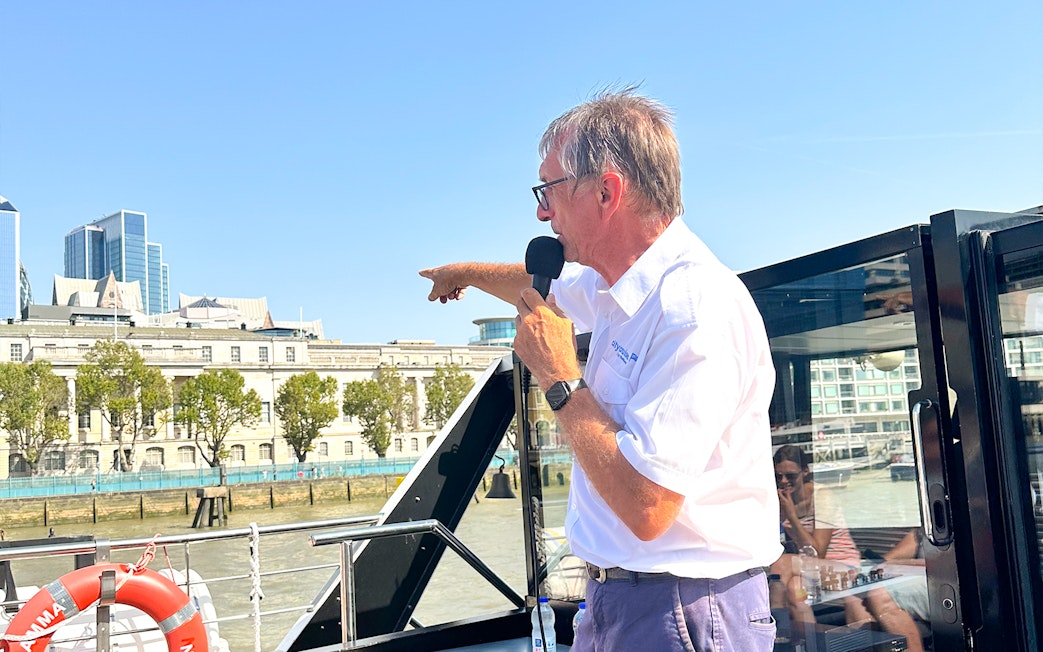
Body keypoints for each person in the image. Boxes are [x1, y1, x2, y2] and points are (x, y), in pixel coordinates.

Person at [420, 89, 781, 651]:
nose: (542, 212)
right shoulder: (619, 286)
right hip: (621, 600)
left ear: (608, 191)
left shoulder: (693, 306)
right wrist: (461, 273)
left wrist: (561, 380)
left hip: (684, 611)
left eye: (550, 191)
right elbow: (541, 285)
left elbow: (648, 506)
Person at [773, 444, 860, 568]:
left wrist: (791, 516)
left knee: (781, 564)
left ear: (805, 471)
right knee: (793, 584)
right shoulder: (781, 499)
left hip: (842, 564)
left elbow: (817, 553)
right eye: (778, 477)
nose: (783, 481)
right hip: (809, 567)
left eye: (791, 476)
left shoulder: (822, 497)